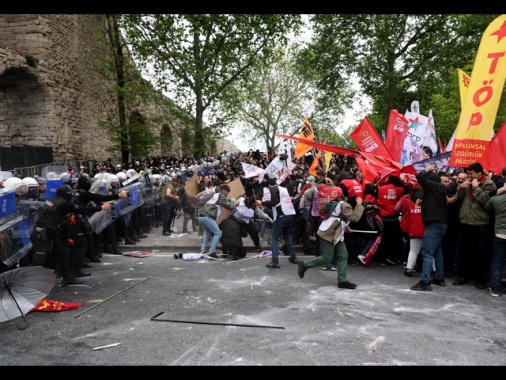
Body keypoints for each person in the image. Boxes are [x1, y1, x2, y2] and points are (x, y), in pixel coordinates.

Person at [33, 184, 112, 286]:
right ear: (65, 194)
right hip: (44, 234)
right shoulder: (65, 204)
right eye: (69, 193)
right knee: (39, 259)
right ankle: (33, 282)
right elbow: (82, 209)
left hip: (45, 232)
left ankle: (67, 278)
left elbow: (50, 215)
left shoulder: (51, 200)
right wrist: (101, 207)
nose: (71, 195)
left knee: (64, 253)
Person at [297, 188, 365, 289]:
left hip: (335, 234)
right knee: (327, 257)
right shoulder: (345, 205)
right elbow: (354, 217)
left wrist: (346, 227)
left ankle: (342, 280)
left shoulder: (340, 203)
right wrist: (360, 205)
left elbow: (339, 218)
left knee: (343, 255)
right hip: (328, 233)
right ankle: (305, 264)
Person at [453, 162, 496, 289]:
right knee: (464, 250)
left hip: (481, 222)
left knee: (480, 252)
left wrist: (476, 188)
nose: (469, 176)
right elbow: (458, 197)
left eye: (471, 174)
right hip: (466, 221)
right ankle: (463, 276)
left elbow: (486, 201)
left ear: (479, 173)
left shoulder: (489, 184)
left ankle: (479, 278)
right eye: (468, 173)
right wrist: (461, 187)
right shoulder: (467, 181)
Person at [410, 165, 448, 291]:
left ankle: (425, 281)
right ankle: (439, 278)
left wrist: (427, 170)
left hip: (434, 225)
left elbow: (419, 177)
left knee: (427, 253)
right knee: (437, 252)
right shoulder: (438, 190)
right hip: (441, 224)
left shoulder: (435, 187)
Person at [257, 175, 297, 268]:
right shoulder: (283, 189)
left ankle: (275, 261)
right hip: (290, 214)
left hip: (281, 216)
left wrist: (262, 203)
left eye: (268, 187)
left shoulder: (273, 188)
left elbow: (274, 202)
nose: (268, 189)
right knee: (287, 236)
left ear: (270, 185)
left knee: (274, 238)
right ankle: (293, 257)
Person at [198, 183, 238, 259]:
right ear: (224, 191)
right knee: (218, 233)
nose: (226, 195)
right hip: (207, 216)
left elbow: (223, 200)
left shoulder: (214, 193)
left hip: (201, 215)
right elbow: (228, 206)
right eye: (227, 193)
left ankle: (203, 250)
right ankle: (211, 252)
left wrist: (230, 200)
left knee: (208, 233)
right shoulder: (221, 195)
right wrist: (235, 204)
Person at [484, 181, 506, 296]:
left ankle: (495, 288)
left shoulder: (496, 199)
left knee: (497, 261)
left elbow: (487, 206)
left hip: (500, 233)